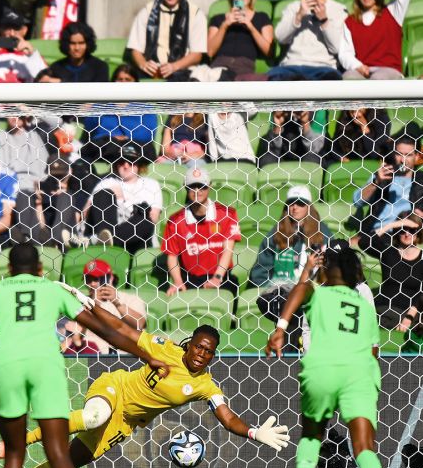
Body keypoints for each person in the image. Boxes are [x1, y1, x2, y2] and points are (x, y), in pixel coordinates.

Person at [0, 242, 172, 468]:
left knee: (14, 454)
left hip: (7, 367)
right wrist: (148, 356)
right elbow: (106, 331)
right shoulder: (52, 290)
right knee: (58, 451)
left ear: (8, 270)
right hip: (46, 368)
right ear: (40, 269)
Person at [0, 318, 290, 468]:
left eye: (209, 351)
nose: (202, 353)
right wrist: (89, 311)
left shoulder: (205, 385)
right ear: (189, 344)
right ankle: (19, 443)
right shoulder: (166, 349)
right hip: (114, 388)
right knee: (93, 416)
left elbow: (227, 417)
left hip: (126, 422)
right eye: (198, 346)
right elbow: (127, 332)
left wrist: (253, 433)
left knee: (64, 463)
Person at [267, 242, 393, 468]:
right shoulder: (363, 302)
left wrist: (281, 328)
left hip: (322, 368)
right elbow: (374, 349)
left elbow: (299, 290)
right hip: (358, 372)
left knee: (312, 434)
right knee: (364, 446)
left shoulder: (318, 292)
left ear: (326, 267)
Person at [249, 185, 332, 346]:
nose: (294, 207)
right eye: (291, 203)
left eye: (300, 203)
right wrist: (269, 285)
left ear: (309, 207)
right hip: (280, 291)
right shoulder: (277, 232)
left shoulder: (323, 232)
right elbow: (261, 268)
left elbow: (330, 265)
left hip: (312, 290)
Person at [163, 166, 242, 294]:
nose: (197, 191)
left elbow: (228, 250)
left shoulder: (228, 214)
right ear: (185, 187)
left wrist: (217, 278)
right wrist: (177, 282)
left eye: (202, 186)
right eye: (192, 186)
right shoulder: (175, 221)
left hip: (222, 278)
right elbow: (172, 256)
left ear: (210, 186)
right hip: (191, 280)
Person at [84, 143, 163, 253]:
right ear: (116, 164)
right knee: (103, 194)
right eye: (121, 162)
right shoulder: (107, 182)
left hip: (134, 239)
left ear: (139, 164)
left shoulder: (151, 184)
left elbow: (153, 217)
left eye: (131, 162)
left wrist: (123, 201)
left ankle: (103, 241)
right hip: (105, 226)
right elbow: (86, 213)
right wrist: (112, 196)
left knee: (145, 220)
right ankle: (106, 240)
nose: (126, 166)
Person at [357, 211, 423, 331]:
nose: (407, 234)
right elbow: (364, 242)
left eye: (412, 230)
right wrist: (392, 225)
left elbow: (421, 295)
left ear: (419, 233)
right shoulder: (388, 252)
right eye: (403, 229)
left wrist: (409, 317)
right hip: (383, 309)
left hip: (410, 315)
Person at [80, 67, 159, 163]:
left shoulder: (146, 108)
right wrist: (111, 138)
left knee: (147, 149)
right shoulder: (101, 105)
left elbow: (147, 134)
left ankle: (121, 156)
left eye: (128, 80)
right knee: (106, 146)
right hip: (105, 146)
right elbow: (91, 130)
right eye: (120, 79)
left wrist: (126, 138)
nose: (123, 83)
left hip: (133, 147)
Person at [126, 0, 209, 81]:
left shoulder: (195, 14)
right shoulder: (147, 11)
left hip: (183, 70)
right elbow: (135, 49)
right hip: (152, 71)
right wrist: (143, 64)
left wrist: (174, 66)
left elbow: (197, 55)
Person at [268, 0, 348, 81]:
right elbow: (280, 38)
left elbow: (337, 48)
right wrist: (298, 16)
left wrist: (324, 21)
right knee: (272, 80)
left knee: (332, 80)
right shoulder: (293, 7)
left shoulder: (338, 9)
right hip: (291, 65)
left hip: (323, 67)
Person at [0, 115, 50, 244]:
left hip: (35, 184)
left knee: (28, 195)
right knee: (24, 195)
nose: (13, 117)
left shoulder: (33, 136)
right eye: (10, 112)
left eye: (17, 114)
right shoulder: (2, 137)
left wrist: (28, 111)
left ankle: (24, 236)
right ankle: (35, 238)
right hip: (11, 184)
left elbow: (55, 122)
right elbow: (1, 169)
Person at [79, 259, 147, 354]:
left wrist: (116, 302)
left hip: (126, 355)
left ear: (110, 278)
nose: (92, 284)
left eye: (96, 279)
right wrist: (93, 305)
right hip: (92, 356)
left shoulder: (130, 299)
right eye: (88, 280)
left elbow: (138, 324)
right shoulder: (81, 302)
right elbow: (74, 334)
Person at [340, 0, 410, 80]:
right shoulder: (350, 22)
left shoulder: (393, 11)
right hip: (363, 70)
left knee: (378, 78)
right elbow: (345, 53)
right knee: (348, 77)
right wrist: (358, 66)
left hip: (390, 70)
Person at [354, 134, 417, 230]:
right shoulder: (383, 174)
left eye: (408, 155)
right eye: (399, 154)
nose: (403, 160)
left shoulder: (420, 180)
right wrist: (376, 182)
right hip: (380, 233)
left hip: (409, 234)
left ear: (417, 157)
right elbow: (357, 201)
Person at [207, 0, 274, 80]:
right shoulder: (218, 19)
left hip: (244, 67)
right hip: (219, 66)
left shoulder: (262, 17)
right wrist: (225, 25)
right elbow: (210, 52)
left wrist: (250, 27)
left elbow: (269, 51)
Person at [40, 21, 108, 83]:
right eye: (73, 43)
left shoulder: (99, 67)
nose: (77, 48)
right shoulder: (56, 67)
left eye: (81, 43)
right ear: (66, 44)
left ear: (87, 44)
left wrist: (61, 82)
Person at [256, 110, 327, 166]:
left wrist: (305, 124)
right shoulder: (279, 110)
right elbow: (272, 150)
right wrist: (277, 126)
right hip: (282, 156)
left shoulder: (317, 111)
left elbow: (315, 149)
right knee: (267, 159)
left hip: (307, 156)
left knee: (312, 160)